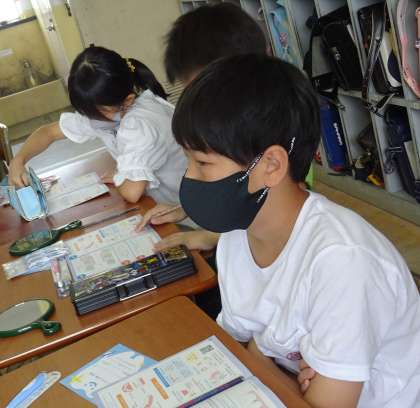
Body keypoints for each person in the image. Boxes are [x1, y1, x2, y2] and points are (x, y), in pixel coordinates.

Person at [169, 53, 420, 407]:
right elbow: (239, 348)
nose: (188, 177)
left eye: (202, 163)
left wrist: (263, 357)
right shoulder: (237, 237)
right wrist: (268, 360)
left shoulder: (342, 261)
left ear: (271, 165)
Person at [136, 3, 267, 251]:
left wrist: (209, 237)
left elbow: (266, 208)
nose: (199, 104)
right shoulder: (226, 120)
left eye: (206, 91)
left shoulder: (269, 129)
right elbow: (231, 188)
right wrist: (186, 209)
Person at [9, 46, 186, 205]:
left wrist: (120, 177)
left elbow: (132, 193)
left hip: (182, 211)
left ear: (128, 101)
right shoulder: (106, 110)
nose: (91, 119)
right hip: (158, 204)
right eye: (86, 111)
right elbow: (48, 132)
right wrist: (18, 160)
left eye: (97, 112)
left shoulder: (138, 124)